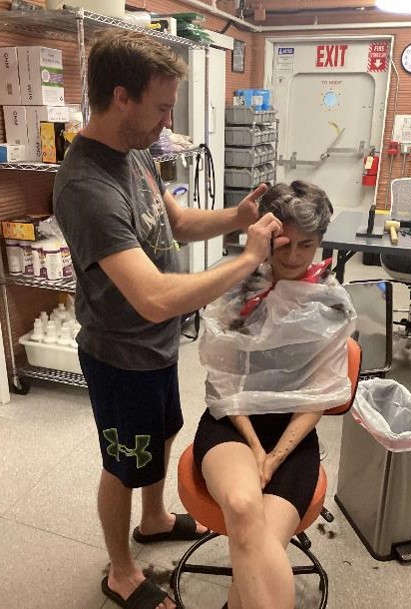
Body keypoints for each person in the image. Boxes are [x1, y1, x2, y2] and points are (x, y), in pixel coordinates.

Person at [53, 31, 282, 609]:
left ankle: (153, 519)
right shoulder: (87, 186)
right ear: (121, 97)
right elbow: (153, 297)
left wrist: (236, 216)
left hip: (155, 347)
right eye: (160, 106)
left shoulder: (135, 152)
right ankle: (121, 572)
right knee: (122, 464)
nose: (168, 119)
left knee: (162, 435)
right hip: (119, 354)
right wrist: (249, 258)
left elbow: (174, 222)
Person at [194, 181, 356, 609]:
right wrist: (253, 446)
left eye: (306, 245)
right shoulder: (238, 290)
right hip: (232, 424)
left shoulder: (330, 306)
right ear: (266, 236)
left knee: (257, 539)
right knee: (245, 506)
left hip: (293, 437)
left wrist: (275, 456)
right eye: (282, 243)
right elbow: (224, 386)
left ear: (320, 242)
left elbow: (318, 396)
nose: (292, 256)